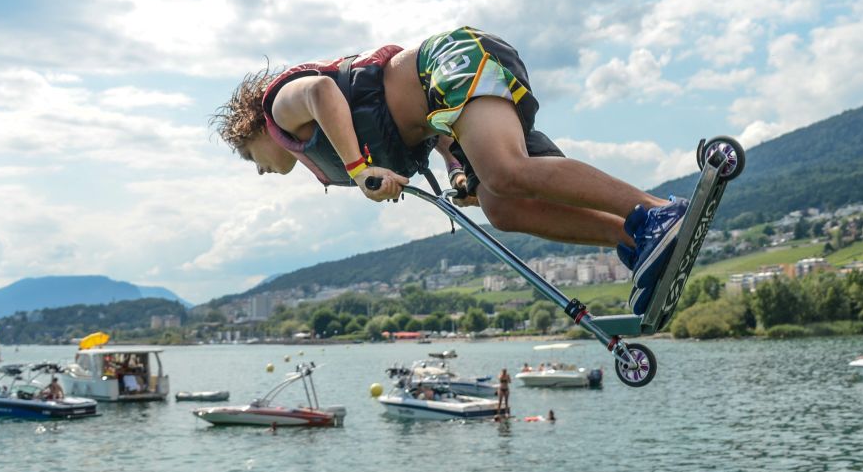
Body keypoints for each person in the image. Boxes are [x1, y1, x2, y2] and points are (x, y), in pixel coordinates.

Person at [212, 26, 687, 313]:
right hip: (448, 107)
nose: (259, 171)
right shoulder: (317, 144)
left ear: (252, 129)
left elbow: (322, 92)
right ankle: (636, 241)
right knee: (500, 205)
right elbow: (428, 131)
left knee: (504, 171)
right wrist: (458, 170)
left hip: (452, 61)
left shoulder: (278, 109)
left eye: (250, 158)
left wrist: (358, 169)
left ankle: (655, 211)